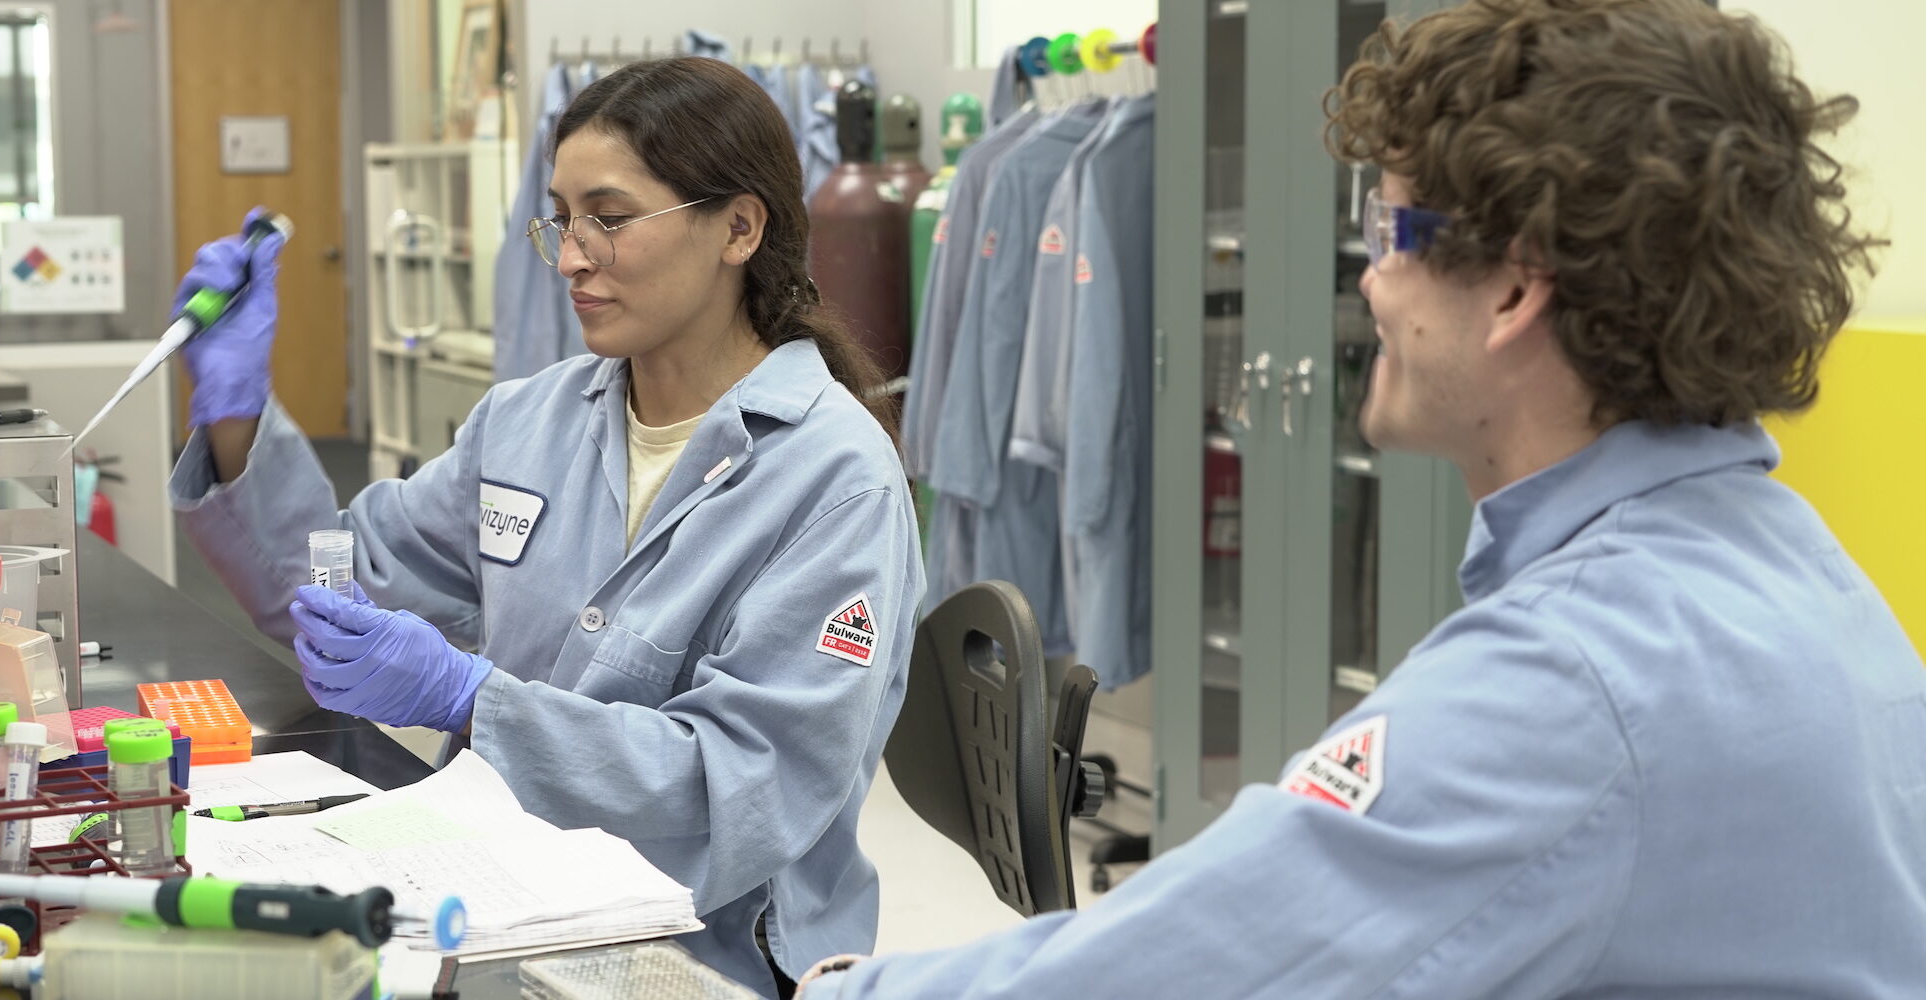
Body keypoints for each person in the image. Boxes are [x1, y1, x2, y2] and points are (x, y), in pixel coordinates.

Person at [800, 1, 1926, 996]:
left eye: (1390, 232)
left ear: (1517, 289)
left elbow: (1210, 958)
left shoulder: (1574, 679)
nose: (1367, 280)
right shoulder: (1793, 567)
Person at [167, 58, 923, 999]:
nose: (569, 257)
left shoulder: (835, 481)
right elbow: (330, 588)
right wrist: (234, 406)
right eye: (561, 219)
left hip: (698, 946)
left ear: (738, 226)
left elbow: (745, 786)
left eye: (608, 218)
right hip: (489, 896)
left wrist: (478, 703)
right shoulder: (530, 422)